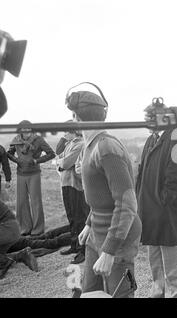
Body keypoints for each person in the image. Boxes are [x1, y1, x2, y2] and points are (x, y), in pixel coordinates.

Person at [69, 86, 142, 298]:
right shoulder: (88, 146)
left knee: (119, 293)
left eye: (73, 115)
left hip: (118, 239)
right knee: (90, 292)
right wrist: (89, 223)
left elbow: (127, 204)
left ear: (77, 117)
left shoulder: (106, 148)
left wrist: (109, 252)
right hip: (96, 233)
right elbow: (102, 195)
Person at [137, 101, 177, 298]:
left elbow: (174, 180)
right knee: (155, 264)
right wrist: (139, 199)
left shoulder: (176, 139)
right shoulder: (151, 140)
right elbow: (141, 173)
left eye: (151, 118)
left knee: (172, 268)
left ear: (162, 119)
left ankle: (175, 296)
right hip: (150, 212)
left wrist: (162, 203)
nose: (147, 122)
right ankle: (157, 294)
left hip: (167, 214)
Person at [7, 121, 56, 236]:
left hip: (34, 174)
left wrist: (36, 161)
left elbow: (51, 154)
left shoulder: (38, 139)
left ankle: (38, 229)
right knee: (21, 202)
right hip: (20, 174)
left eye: (28, 129)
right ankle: (24, 228)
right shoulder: (16, 140)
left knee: (36, 202)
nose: (26, 131)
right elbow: (9, 153)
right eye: (24, 129)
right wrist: (16, 160)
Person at [56, 126, 90, 264]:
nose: (64, 134)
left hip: (75, 186)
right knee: (71, 217)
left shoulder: (80, 144)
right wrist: (61, 162)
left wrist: (60, 163)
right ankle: (74, 245)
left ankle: (84, 250)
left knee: (80, 217)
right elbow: (60, 158)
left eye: (65, 131)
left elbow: (65, 162)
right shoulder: (70, 144)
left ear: (72, 132)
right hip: (66, 184)